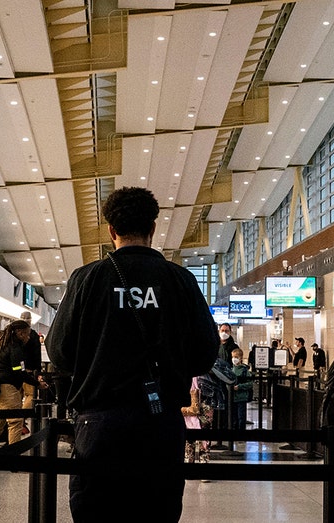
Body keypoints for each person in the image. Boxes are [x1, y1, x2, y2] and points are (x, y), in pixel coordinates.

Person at [46, 186, 219, 522]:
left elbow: (59, 352)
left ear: (112, 231)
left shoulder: (87, 279)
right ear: (153, 228)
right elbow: (206, 352)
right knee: (156, 514)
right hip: (161, 422)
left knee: (96, 513)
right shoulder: (180, 280)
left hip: (99, 423)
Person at [0, 320, 47, 446]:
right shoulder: (15, 348)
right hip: (7, 388)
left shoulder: (4, 344)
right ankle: (13, 456)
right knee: (15, 422)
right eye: (27, 334)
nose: (28, 338)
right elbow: (19, 372)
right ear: (20, 333)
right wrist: (37, 383)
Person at [18, 311, 42, 412]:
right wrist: (38, 370)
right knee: (31, 395)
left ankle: (15, 420)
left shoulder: (15, 334)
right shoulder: (33, 335)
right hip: (29, 370)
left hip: (16, 370)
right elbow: (37, 355)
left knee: (17, 395)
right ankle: (22, 417)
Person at [229, 348, 253, 430]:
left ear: (241, 358)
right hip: (232, 397)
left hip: (241, 397)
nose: (234, 359)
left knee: (241, 416)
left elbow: (250, 383)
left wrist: (239, 387)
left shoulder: (244, 370)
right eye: (233, 357)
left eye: (236, 357)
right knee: (234, 417)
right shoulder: (230, 369)